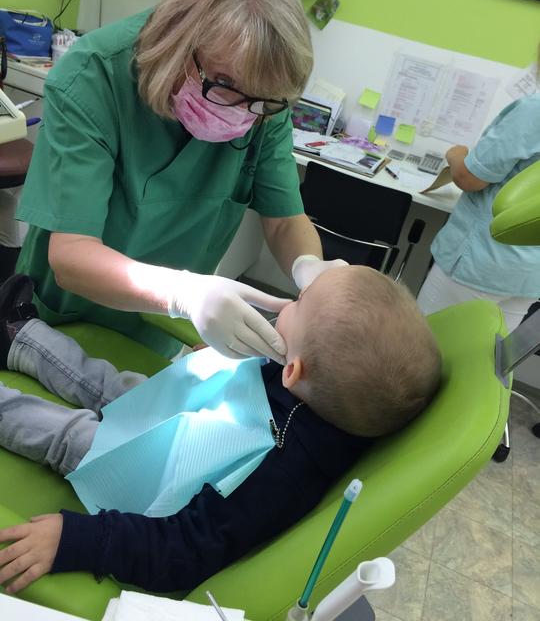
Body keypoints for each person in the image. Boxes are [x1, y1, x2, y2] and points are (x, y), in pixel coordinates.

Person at [0, 266, 441, 593]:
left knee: (72, 435)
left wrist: (81, 540)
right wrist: (216, 361)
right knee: (114, 386)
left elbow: (186, 549)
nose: (288, 303)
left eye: (299, 302)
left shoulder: (279, 478)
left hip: (154, 480)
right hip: (192, 423)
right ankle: (18, 334)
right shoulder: (326, 393)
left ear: (293, 370)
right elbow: (273, 383)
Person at [14, 0, 343, 364]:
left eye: (259, 101)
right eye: (224, 84)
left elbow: (283, 220)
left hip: (159, 331)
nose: (241, 112)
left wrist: (310, 270)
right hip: (62, 321)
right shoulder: (93, 78)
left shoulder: (263, 103)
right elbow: (72, 255)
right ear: (178, 42)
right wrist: (185, 294)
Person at [417, 91, 540, 332]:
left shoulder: (534, 109)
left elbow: (470, 178)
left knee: (420, 342)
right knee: (483, 349)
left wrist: (457, 155)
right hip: (528, 275)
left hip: (483, 261)